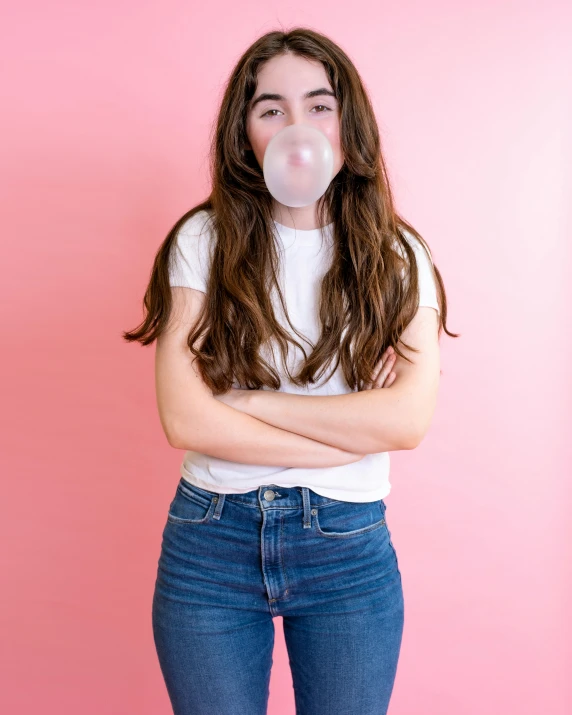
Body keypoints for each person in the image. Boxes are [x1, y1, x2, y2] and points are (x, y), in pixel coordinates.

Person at [124, 27, 458, 715]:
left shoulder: (397, 256)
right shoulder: (202, 241)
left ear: (347, 123)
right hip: (209, 540)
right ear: (244, 130)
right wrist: (350, 433)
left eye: (318, 104)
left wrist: (249, 401)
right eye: (270, 108)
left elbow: (407, 421)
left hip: (348, 547)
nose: (295, 126)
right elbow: (185, 419)